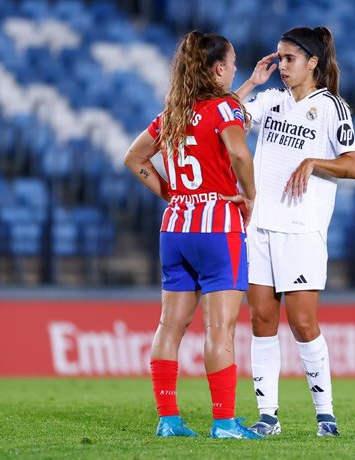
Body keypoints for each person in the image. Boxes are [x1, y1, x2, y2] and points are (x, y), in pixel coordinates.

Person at [123, 30, 262, 440]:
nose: (236, 68)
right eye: (233, 63)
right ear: (218, 69)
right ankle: (224, 423)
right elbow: (238, 152)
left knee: (169, 326)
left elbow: (135, 158)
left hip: (176, 226)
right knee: (220, 330)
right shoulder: (224, 111)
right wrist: (250, 197)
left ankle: (168, 419)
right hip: (218, 225)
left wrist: (172, 193)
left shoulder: (174, 114)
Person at [235, 26, 355, 437]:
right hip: (259, 227)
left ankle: (326, 415)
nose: (282, 66)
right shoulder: (269, 100)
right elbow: (223, 121)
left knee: (304, 324)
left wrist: (312, 162)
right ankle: (267, 417)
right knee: (260, 322)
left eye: (290, 58)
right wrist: (250, 83)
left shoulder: (331, 107)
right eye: (278, 58)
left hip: (302, 230)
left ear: (312, 63)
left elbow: (353, 165)